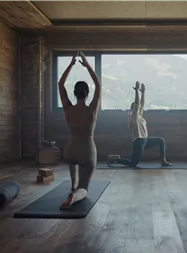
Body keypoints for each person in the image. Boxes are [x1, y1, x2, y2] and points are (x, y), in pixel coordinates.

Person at [58, 51, 101, 209]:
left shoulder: (68, 108)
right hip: (87, 151)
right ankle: (75, 194)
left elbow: (60, 84)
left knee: (73, 160)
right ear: (87, 94)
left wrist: (71, 64)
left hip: (70, 151)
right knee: (84, 189)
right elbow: (98, 85)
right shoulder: (91, 110)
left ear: (74, 93)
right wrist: (86, 63)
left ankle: (73, 182)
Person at [111, 81, 172, 167]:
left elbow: (141, 104)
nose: (140, 109)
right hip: (138, 141)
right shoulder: (133, 116)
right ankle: (116, 160)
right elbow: (137, 103)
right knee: (133, 163)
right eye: (138, 108)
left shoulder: (139, 116)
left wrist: (143, 92)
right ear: (133, 109)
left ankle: (163, 160)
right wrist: (136, 91)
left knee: (161, 140)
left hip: (145, 140)